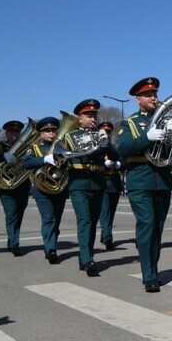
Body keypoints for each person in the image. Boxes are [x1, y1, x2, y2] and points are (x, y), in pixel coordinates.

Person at [116, 77, 172, 293]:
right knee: (147, 225)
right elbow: (123, 148)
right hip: (140, 180)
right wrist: (146, 138)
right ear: (138, 99)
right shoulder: (130, 123)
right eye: (148, 95)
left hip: (162, 181)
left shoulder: (164, 121)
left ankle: (153, 268)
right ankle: (149, 275)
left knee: (157, 229)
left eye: (155, 94)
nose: (154, 98)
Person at [65, 99, 117, 275]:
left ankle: (84, 256)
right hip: (79, 182)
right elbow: (64, 156)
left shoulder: (101, 136)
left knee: (93, 222)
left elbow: (117, 156)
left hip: (98, 182)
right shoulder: (70, 137)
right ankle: (88, 260)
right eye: (88, 115)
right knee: (85, 220)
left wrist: (107, 142)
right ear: (80, 118)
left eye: (94, 115)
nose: (92, 118)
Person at [22, 116, 69, 267]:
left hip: (59, 187)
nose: (51, 133)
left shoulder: (62, 145)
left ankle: (51, 244)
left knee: (57, 220)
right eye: (47, 131)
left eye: (53, 130)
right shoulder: (34, 147)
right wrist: (44, 160)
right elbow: (27, 162)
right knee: (49, 219)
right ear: (41, 133)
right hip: (42, 189)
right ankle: (51, 250)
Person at [0, 120, 32, 256]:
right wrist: (3, 156)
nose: (14, 134)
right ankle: (15, 244)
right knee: (11, 215)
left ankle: (11, 239)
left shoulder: (27, 147)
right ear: (6, 133)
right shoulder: (0, 146)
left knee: (19, 215)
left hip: (22, 186)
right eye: (11, 132)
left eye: (17, 132)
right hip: (6, 188)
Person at [98, 121, 122, 251]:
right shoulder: (96, 145)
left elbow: (121, 159)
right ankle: (108, 238)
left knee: (111, 212)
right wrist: (103, 163)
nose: (106, 133)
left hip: (114, 181)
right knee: (105, 211)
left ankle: (104, 234)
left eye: (108, 131)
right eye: (104, 131)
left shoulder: (113, 146)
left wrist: (119, 165)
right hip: (102, 180)